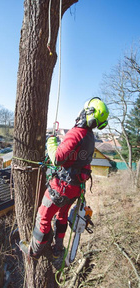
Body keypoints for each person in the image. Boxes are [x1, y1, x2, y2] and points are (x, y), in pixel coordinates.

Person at [19, 97, 109, 259]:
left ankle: (34, 251)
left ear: (87, 113)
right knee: (61, 215)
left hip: (61, 187)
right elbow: (77, 158)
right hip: (74, 188)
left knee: (43, 216)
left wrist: (51, 143)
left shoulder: (77, 133)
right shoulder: (89, 138)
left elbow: (58, 158)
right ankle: (58, 248)